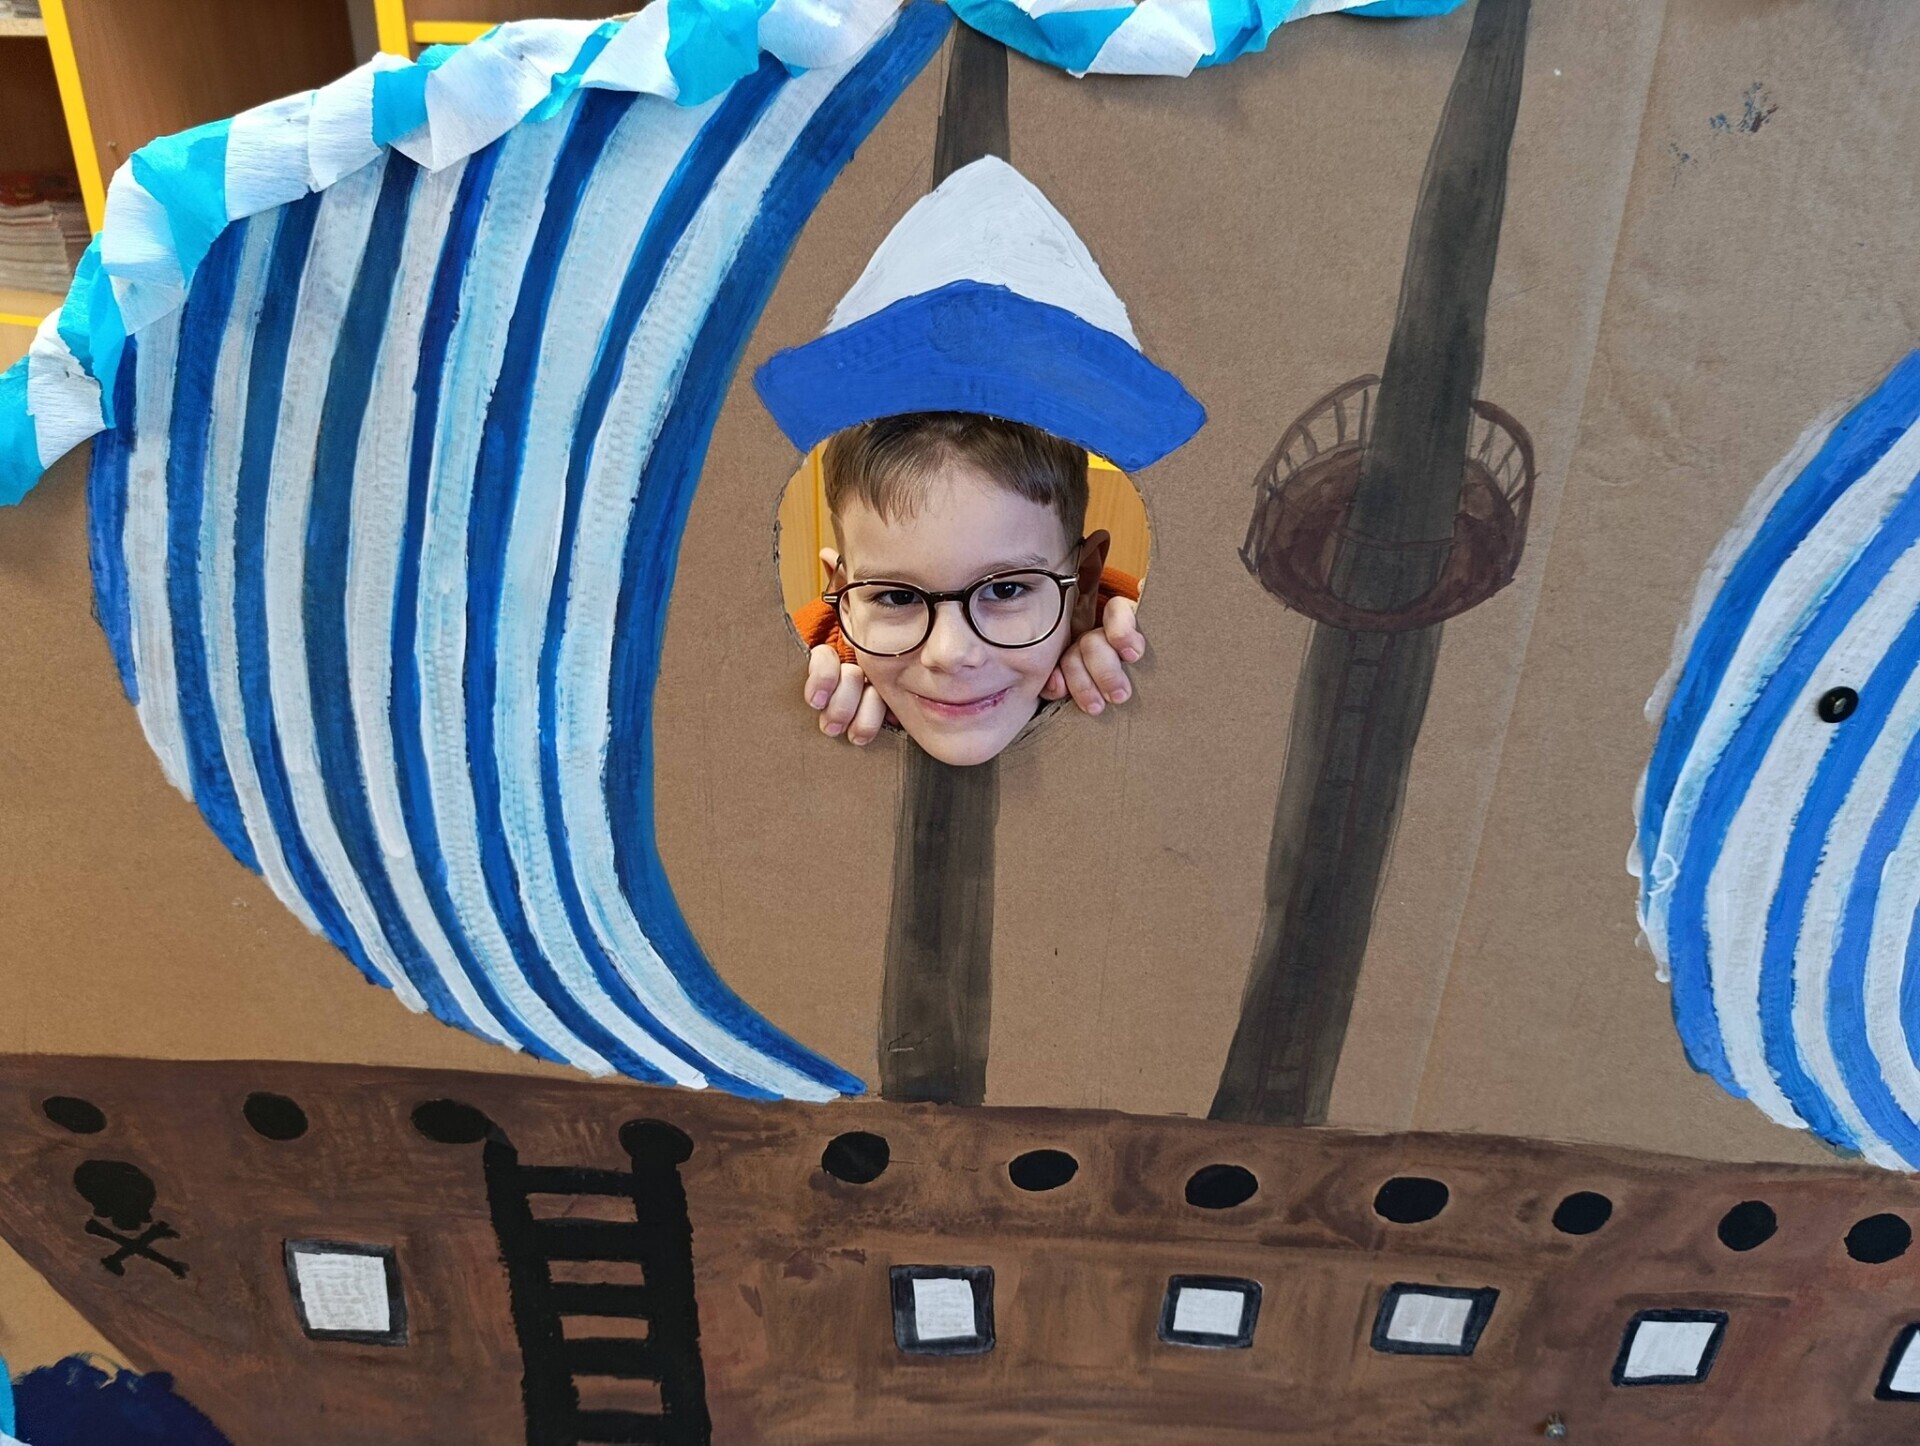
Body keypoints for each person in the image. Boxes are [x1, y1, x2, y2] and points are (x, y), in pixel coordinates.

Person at [790, 412, 1145, 766]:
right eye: (899, 597)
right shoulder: (799, 670)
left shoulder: (1120, 641)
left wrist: (1140, 659)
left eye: (1005, 590)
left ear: (1083, 585)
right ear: (845, 603)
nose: (949, 653)